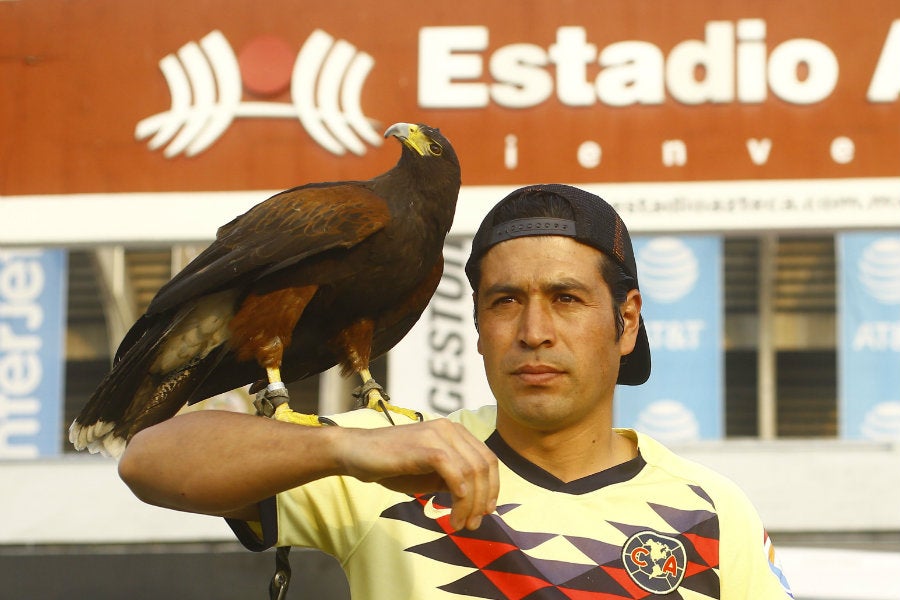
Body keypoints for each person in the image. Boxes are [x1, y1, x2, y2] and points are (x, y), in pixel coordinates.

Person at [118, 184, 794, 598]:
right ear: (477, 327)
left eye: (566, 299)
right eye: (505, 302)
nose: (534, 332)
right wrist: (342, 451)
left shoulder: (712, 510)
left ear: (627, 321)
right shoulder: (395, 457)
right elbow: (149, 461)